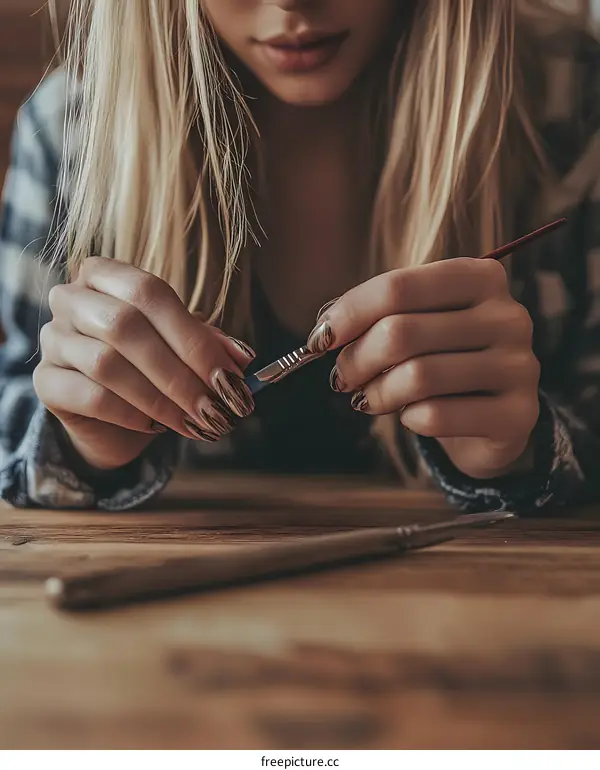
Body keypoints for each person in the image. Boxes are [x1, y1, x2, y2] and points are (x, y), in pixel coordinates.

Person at [0, 0, 598, 513]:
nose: (293, 4)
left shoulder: (572, 101)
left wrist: (520, 452)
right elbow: (12, 418)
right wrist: (84, 447)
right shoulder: (73, 131)